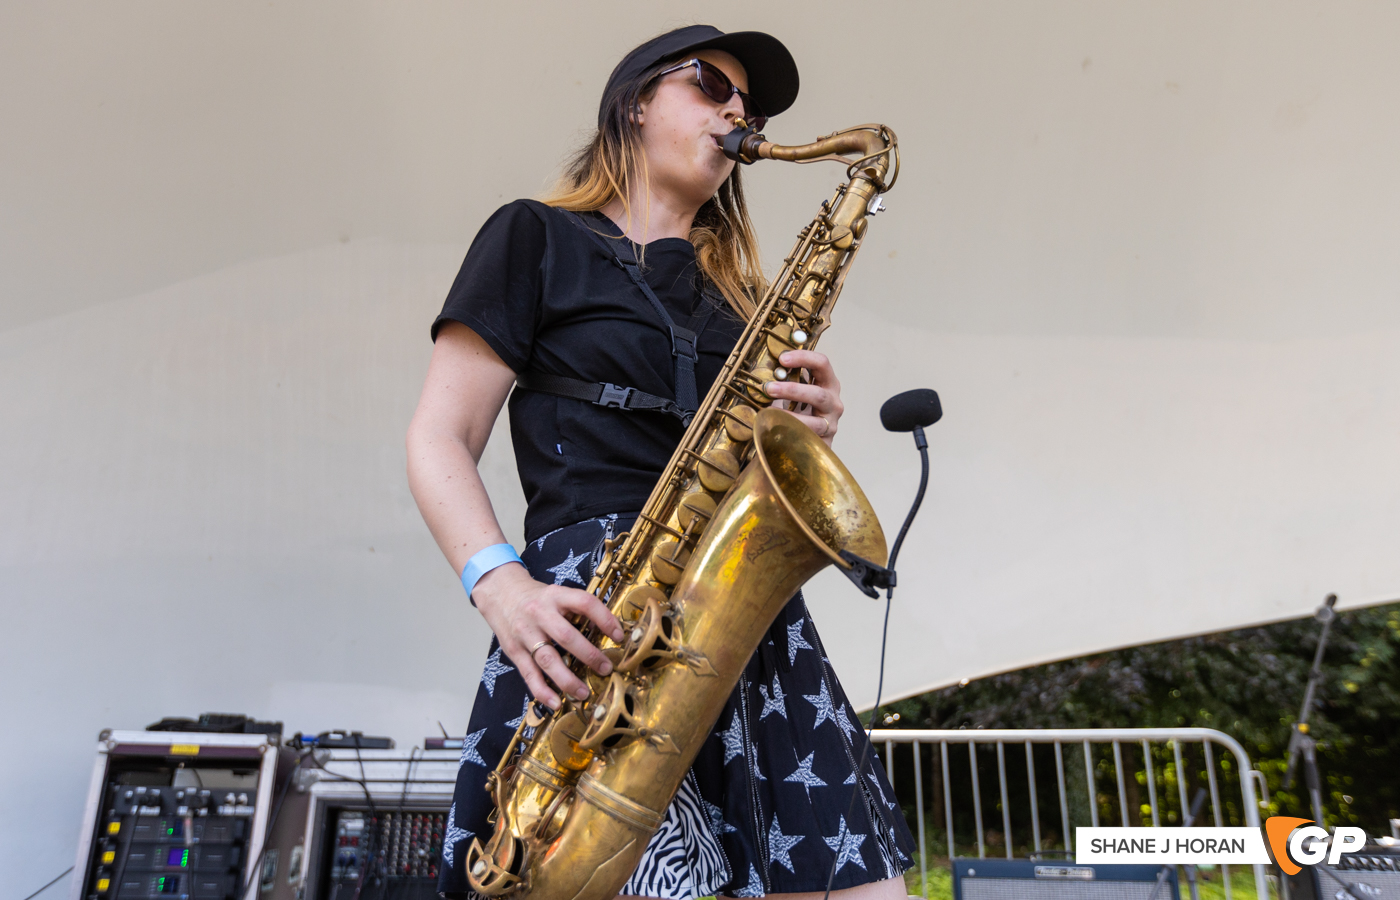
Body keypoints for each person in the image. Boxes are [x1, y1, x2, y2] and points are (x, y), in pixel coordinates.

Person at [407, 24, 914, 900]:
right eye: (711, 84)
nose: (737, 113)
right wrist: (503, 588)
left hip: (746, 626)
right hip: (599, 622)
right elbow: (438, 435)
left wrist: (805, 434)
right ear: (635, 102)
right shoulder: (534, 236)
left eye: (748, 108)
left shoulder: (745, 304)